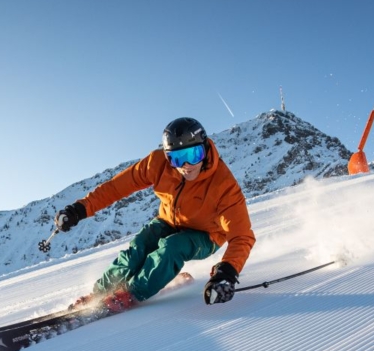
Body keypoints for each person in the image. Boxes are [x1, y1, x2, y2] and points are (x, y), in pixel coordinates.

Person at [54, 116, 255, 311]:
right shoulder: (157, 164)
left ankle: (132, 293)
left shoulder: (224, 185)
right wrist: (80, 209)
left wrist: (226, 273)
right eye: (177, 158)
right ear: (168, 157)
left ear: (205, 149)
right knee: (140, 246)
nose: (186, 166)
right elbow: (116, 187)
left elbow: (242, 236)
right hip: (168, 221)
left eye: (193, 155)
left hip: (206, 234)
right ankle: (101, 292)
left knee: (172, 247)